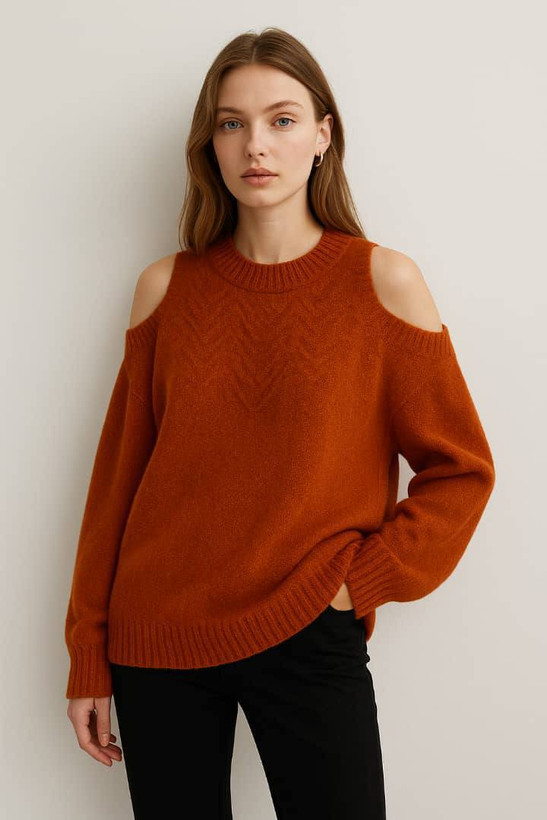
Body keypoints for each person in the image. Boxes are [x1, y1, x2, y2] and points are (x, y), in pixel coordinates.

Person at [64, 26, 496, 820]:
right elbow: (116, 487)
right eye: (231, 123)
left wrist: (360, 583)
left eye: (281, 119)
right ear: (210, 143)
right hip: (159, 634)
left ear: (323, 135)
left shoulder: (381, 282)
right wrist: (87, 654)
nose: (254, 145)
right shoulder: (165, 289)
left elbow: (461, 470)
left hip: (308, 623)